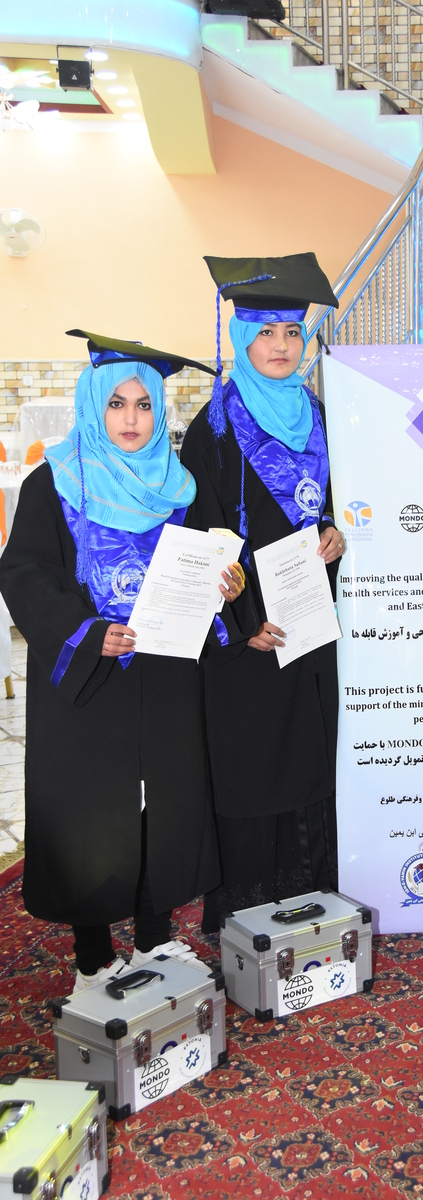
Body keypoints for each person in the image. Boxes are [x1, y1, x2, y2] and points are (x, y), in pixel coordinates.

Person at [0, 331, 247, 991]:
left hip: (164, 674)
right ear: (92, 407)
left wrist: (227, 587)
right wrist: (83, 631)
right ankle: (92, 956)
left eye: (144, 404)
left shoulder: (180, 487)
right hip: (91, 678)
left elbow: (211, 562)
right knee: (91, 812)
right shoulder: (56, 482)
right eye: (117, 404)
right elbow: (24, 573)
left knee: (161, 806)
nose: (132, 419)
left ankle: (154, 939)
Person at [180, 254, 345, 929]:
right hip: (249, 637)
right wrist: (241, 620)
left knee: (310, 755)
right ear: (242, 340)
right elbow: (199, 533)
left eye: (292, 333)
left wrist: (334, 533)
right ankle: (249, 914)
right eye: (266, 333)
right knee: (253, 763)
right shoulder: (215, 428)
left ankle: (314, 900)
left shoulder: (319, 415)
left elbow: (334, 502)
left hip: (309, 621)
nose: (281, 346)